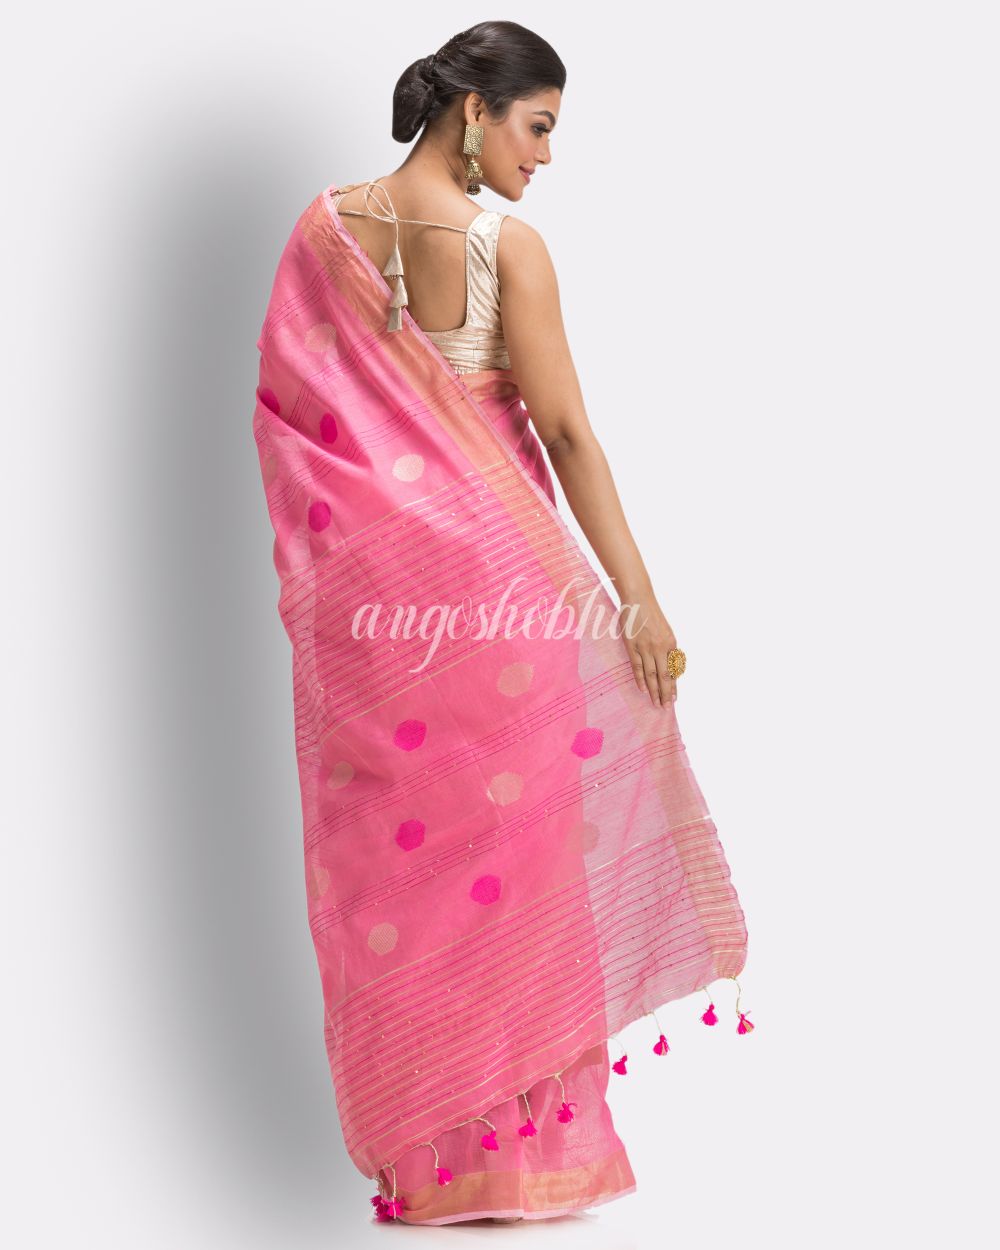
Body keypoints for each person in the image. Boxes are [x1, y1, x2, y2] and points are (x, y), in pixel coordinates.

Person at [252, 18, 751, 1229]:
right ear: (471, 111)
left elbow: (288, 424)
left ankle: (433, 1160)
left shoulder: (322, 230)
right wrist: (638, 596)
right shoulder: (504, 249)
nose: (547, 154)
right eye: (537, 125)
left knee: (404, 879)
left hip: (379, 623)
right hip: (506, 604)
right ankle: (528, 1158)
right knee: (520, 871)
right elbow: (565, 434)